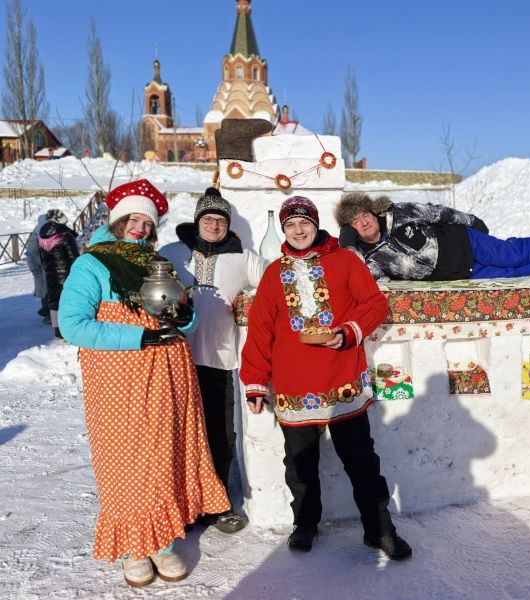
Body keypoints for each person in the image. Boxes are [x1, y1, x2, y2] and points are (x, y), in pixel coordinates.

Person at [59, 179, 230, 587]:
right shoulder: (92, 264)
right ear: (117, 221)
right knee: (125, 460)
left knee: (164, 456)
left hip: (169, 375)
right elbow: (73, 325)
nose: (140, 228)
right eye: (133, 220)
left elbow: (181, 320)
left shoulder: (158, 264)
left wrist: (184, 315)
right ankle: (135, 547)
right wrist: (140, 337)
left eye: (147, 223)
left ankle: (162, 542)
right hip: (119, 381)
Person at [240, 196, 412, 560]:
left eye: (304, 222)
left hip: (342, 379)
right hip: (294, 386)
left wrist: (349, 332)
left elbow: (374, 304)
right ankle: (305, 524)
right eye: (290, 225)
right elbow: (260, 330)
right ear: (283, 230)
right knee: (300, 466)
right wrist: (255, 380)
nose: (298, 230)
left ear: (315, 225)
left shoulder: (345, 260)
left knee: (362, 461)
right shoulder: (273, 274)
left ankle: (379, 529)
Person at [160, 186, 263, 534]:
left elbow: (274, 285)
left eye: (221, 220)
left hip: (220, 360)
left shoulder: (243, 257)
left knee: (220, 436)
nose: (214, 225)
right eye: (208, 219)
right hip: (175, 359)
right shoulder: (173, 253)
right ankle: (179, 507)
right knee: (176, 436)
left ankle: (216, 506)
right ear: (197, 221)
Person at [334, 192, 530, 281]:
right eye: (355, 222)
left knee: (510, 255)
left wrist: (471, 221)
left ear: (373, 213)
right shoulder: (372, 259)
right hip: (457, 271)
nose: (363, 222)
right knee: (512, 273)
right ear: (352, 231)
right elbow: (361, 276)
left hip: (464, 242)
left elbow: (438, 213)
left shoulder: (399, 213)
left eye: (365, 215)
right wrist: (347, 245)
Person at [37, 209, 79, 338]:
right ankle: (68, 329)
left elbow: (42, 258)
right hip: (67, 274)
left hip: (50, 273)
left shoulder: (41, 235)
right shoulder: (65, 236)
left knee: (54, 301)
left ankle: (57, 330)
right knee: (68, 300)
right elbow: (74, 257)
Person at [25, 213, 49, 322]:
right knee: (46, 290)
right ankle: (48, 313)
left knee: (47, 290)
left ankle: (48, 313)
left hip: (43, 267)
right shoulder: (38, 235)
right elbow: (32, 255)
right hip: (41, 267)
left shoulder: (38, 232)